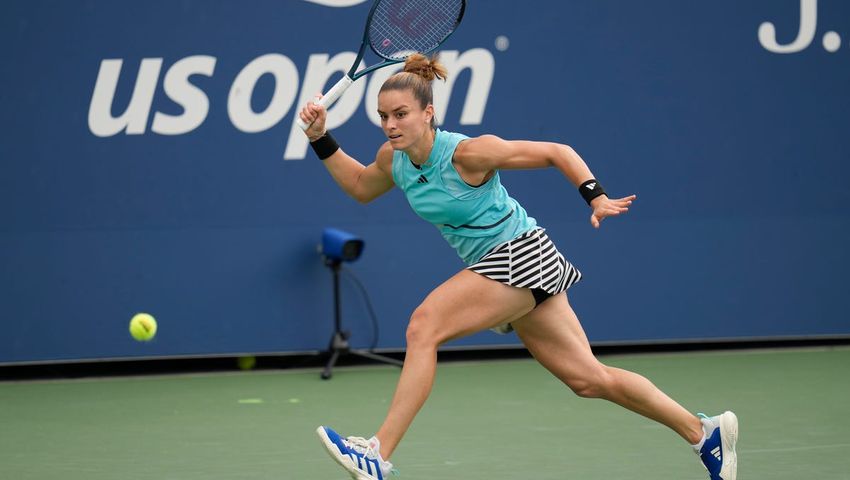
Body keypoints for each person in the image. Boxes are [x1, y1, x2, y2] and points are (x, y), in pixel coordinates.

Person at [298, 54, 738, 480]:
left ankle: (378, 453)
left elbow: (556, 151)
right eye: (383, 116)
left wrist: (596, 196)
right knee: (588, 378)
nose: (391, 125)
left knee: (423, 326)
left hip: (519, 252)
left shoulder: (469, 154)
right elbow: (358, 186)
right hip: (508, 265)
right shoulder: (392, 160)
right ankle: (704, 434)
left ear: (428, 113)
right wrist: (321, 137)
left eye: (400, 114)